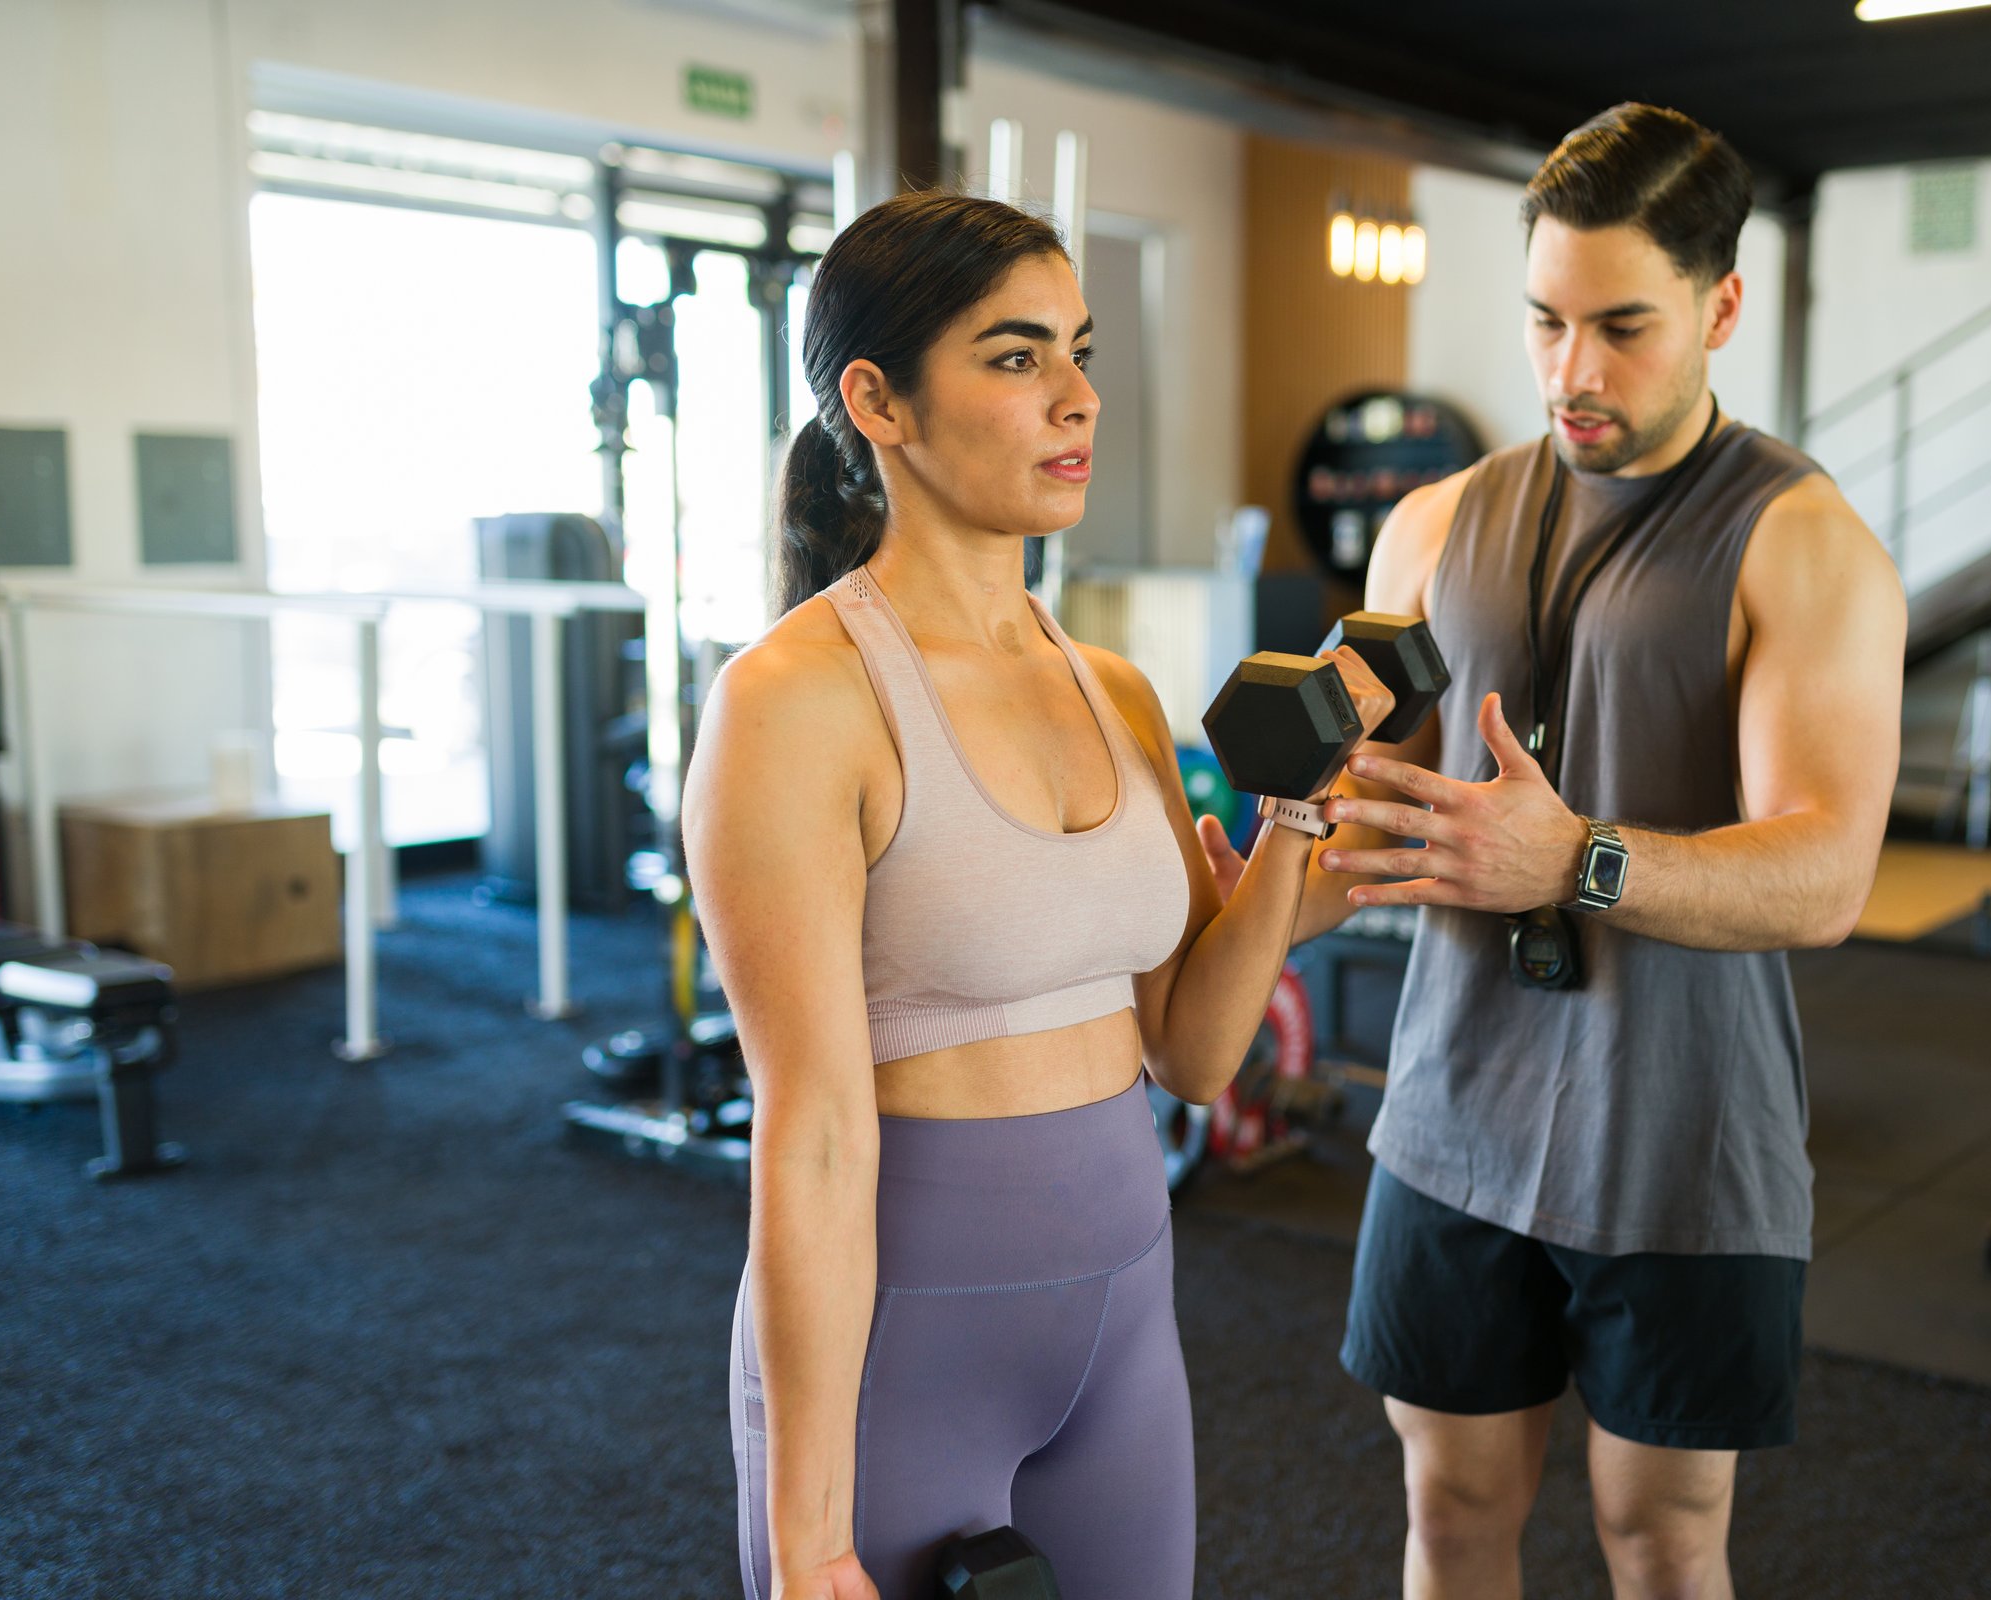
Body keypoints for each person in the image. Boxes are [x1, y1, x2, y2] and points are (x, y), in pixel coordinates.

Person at [1200, 104, 1905, 1600]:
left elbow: (1828, 873)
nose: (1573, 371)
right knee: (1450, 1509)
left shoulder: (1803, 540)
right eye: (1543, 322)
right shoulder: (1432, 524)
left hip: (1683, 1142)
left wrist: (1575, 861)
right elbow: (1374, 824)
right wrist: (1245, 910)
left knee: (1660, 1540)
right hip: (1452, 1119)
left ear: (1720, 306)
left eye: (1623, 327)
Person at [682, 189, 1389, 1600]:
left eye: (1079, 350)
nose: (1077, 399)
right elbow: (813, 1136)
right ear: (877, 402)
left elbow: (1189, 1053)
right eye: (1015, 360)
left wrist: (1302, 837)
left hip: (1124, 1325)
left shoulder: (1112, 685)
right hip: (904, 1348)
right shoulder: (796, 703)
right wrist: (808, 1529)